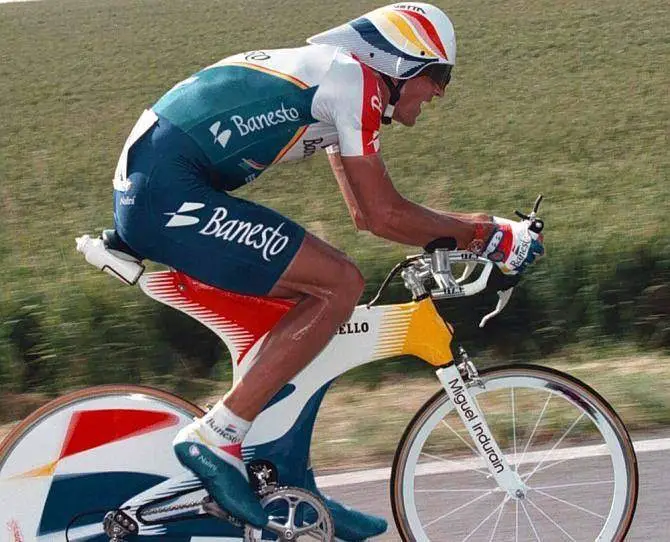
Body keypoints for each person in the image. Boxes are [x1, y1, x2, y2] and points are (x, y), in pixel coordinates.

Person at [112, 2, 544, 539]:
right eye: (439, 76)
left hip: (162, 187)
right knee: (339, 284)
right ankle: (216, 435)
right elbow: (386, 214)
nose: (441, 92)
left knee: (320, 299)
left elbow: (366, 216)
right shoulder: (353, 80)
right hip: (166, 195)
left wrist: (473, 234)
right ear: (403, 65)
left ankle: (290, 482)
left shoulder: (340, 80)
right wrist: (489, 233)